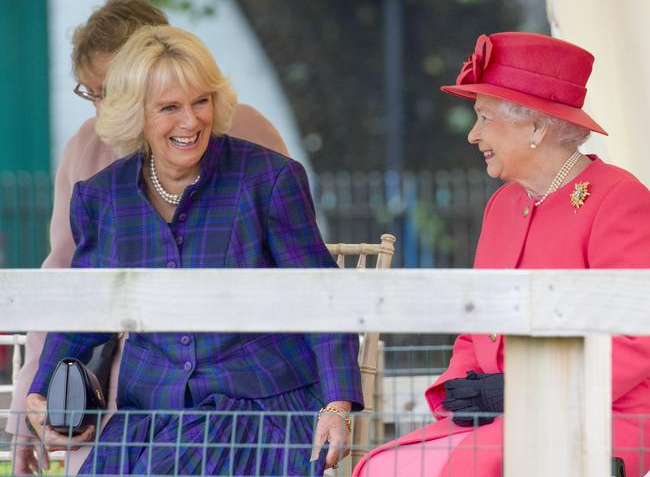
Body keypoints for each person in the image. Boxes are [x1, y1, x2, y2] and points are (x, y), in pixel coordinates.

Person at [23, 24, 362, 476]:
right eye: (169, 108)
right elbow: (89, 308)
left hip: (259, 412)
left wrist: (336, 406)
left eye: (200, 102)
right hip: (148, 416)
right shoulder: (102, 197)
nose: (191, 122)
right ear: (135, 114)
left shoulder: (267, 179)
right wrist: (41, 393)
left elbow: (323, 296)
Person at [354, 32, 650, 476]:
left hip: (600, 415)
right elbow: (478, 327)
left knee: (460, 468)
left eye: (484, 117)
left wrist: (528, 389)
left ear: (536, 125)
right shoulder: (504, 204)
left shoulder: (618, 198)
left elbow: (637, 338)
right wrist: (461, 387)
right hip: (503, 414)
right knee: (384, 465)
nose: (473, 135)